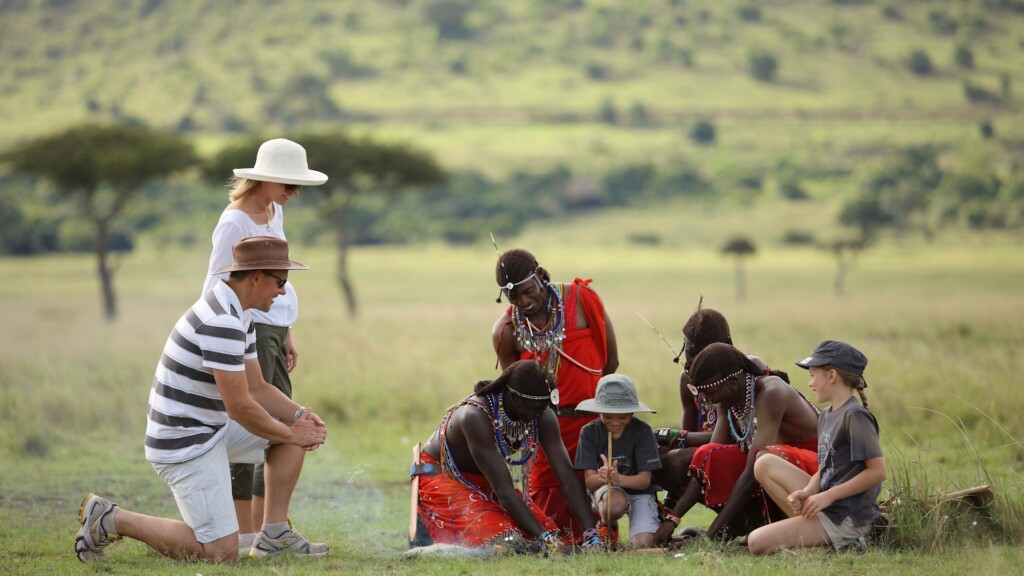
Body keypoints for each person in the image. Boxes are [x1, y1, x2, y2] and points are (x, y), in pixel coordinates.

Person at [75, 237, 329, 563]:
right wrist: (291, 432)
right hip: (184, 443)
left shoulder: (241, 313)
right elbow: (240, 406)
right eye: (280, 282)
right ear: (256, 278)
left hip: (210, 430)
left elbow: (258, 388)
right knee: (221, 553)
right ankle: (109, 518)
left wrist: (300, 416)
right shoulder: (221, 322)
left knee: (293, 432)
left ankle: (274, 534)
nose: (282, 292)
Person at [202, 138, 327, 555]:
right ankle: (251, 532)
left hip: (272, 328)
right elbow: (219, 283)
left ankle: (264, 530)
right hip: (248, 333)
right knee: (259, 423)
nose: (295, 194)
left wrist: (287, 328)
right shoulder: (234, 222)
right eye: (289, 185)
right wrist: (241, 337)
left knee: (273, 426)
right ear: (265, 178)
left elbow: (275, 276)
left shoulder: (272, 211)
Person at [491, 248, 619, 543]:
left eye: (528, 291)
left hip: (591, 426)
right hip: (546, 432)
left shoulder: (582, 299)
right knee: (555, 527)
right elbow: (519, 394)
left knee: (604, 497)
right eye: (514, 298)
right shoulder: (506, 331)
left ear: (539, 275)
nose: (524, 302)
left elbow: (610, 363)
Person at [412, 360, 602, 552]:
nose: (539, 415)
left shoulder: (541, 412)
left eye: (543, 408)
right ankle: (426, 550)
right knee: (507, 540)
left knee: (546, 531)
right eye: (535, 408)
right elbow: (505, 493)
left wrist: (591, 534)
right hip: (441, 477)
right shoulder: (475, 417)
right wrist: (548, 544)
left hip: (484, 482)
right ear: (514, 397)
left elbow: (567, 477)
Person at [653, 343, 820, 545]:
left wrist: (709, 537)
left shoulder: (771, 393)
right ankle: (745, 524)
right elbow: (708, 460)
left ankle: (774, 525)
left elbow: (751, 474)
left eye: (709, 393)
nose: (707, 400)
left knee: (762, 459)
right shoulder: (728, 399)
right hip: (775, 469)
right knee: (711, 454)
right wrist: (673, 518)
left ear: (732, 382)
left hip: (812, 475)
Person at [747, 340, 886, 555]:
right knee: (763, 463)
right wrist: (809, 491)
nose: (810, 383)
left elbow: (877, 471)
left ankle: (845, 544)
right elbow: (826, 466)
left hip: (848, 516)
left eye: (813, 375)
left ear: (831, 376)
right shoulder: (826, 416)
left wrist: (827, 496)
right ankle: (819, 537)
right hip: (829, 506)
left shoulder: (855, 416)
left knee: (756, 542)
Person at [653, 305, 780, 511]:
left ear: (726, 345)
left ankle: (738, 520)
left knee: (680, 459)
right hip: (713, 454)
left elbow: (728, 438)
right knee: (657, 455)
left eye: (704, 362)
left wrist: (672, 435)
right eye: (690, 365)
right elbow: (688, 439)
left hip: (748, 455)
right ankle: (663, 513)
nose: (697, 372)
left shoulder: (741, 373)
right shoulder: (687, 380)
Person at [574, 374, 662, 548]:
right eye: (608, 417)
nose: (615, 422)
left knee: (643, 544)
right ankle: (608, 524)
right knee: (615, 505)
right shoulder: (589, 433)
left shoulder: (643, 431)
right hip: (609, 492)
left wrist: (619, 479)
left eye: (623, 417)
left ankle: (646, 521)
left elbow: (645, 480)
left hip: (639, 492)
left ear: (632, 411)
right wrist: (603, 477)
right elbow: (589, 483)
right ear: (598, 411)